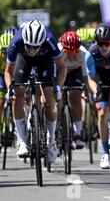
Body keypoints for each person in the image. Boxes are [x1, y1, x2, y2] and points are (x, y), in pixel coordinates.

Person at [4, 20, 67, 163]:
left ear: (41, 43)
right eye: (29, 46)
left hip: (44, 60)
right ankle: (22, 141)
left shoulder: (49, 41)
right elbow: (8, 72)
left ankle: (51, 143)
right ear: (24, 41)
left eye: (35, 47)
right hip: (23, 60)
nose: (32, 50)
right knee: (18, 93)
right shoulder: (16, 42)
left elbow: (62, 68)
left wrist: (58, 87)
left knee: (50, 97)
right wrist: (10, 89)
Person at [85, 24, 110, 169]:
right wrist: (95, 89)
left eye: (107, 43)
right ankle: (105, 153)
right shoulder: (90, 53)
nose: (104, 47)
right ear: (95, 43)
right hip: (100, 78)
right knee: (102, 113)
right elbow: (91, 78)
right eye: (100, 44)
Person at [58, 31, 88, 149]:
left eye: (73, 51)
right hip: (60, 71)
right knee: (57, 99)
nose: (70, 54)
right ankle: (56, 129)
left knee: (75, 96)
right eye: (68, 51)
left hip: (75, 72)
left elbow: (86, 76)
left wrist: (86, 91)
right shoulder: (57, 51)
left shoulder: (84, 54)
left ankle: (77, 133)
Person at [0, 32, 13, 124]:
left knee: (17, 97)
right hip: (1, 74)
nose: (7, 55)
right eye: (5, 52)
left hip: (13, 74)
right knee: (0, 100)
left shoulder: (17, 53)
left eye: (9, 51)